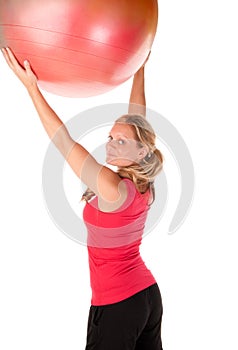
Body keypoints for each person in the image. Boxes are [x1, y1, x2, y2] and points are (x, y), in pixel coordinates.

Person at [1, 47, 164, 349]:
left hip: (119, 305)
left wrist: (31, 88)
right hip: (146, 296)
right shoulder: (143, 181)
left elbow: (63, 140)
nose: (112, 145)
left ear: (141, 151)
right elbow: (137, 118)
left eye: (121, 141)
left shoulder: (112, 186)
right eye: (111, 137)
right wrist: (139, 69)